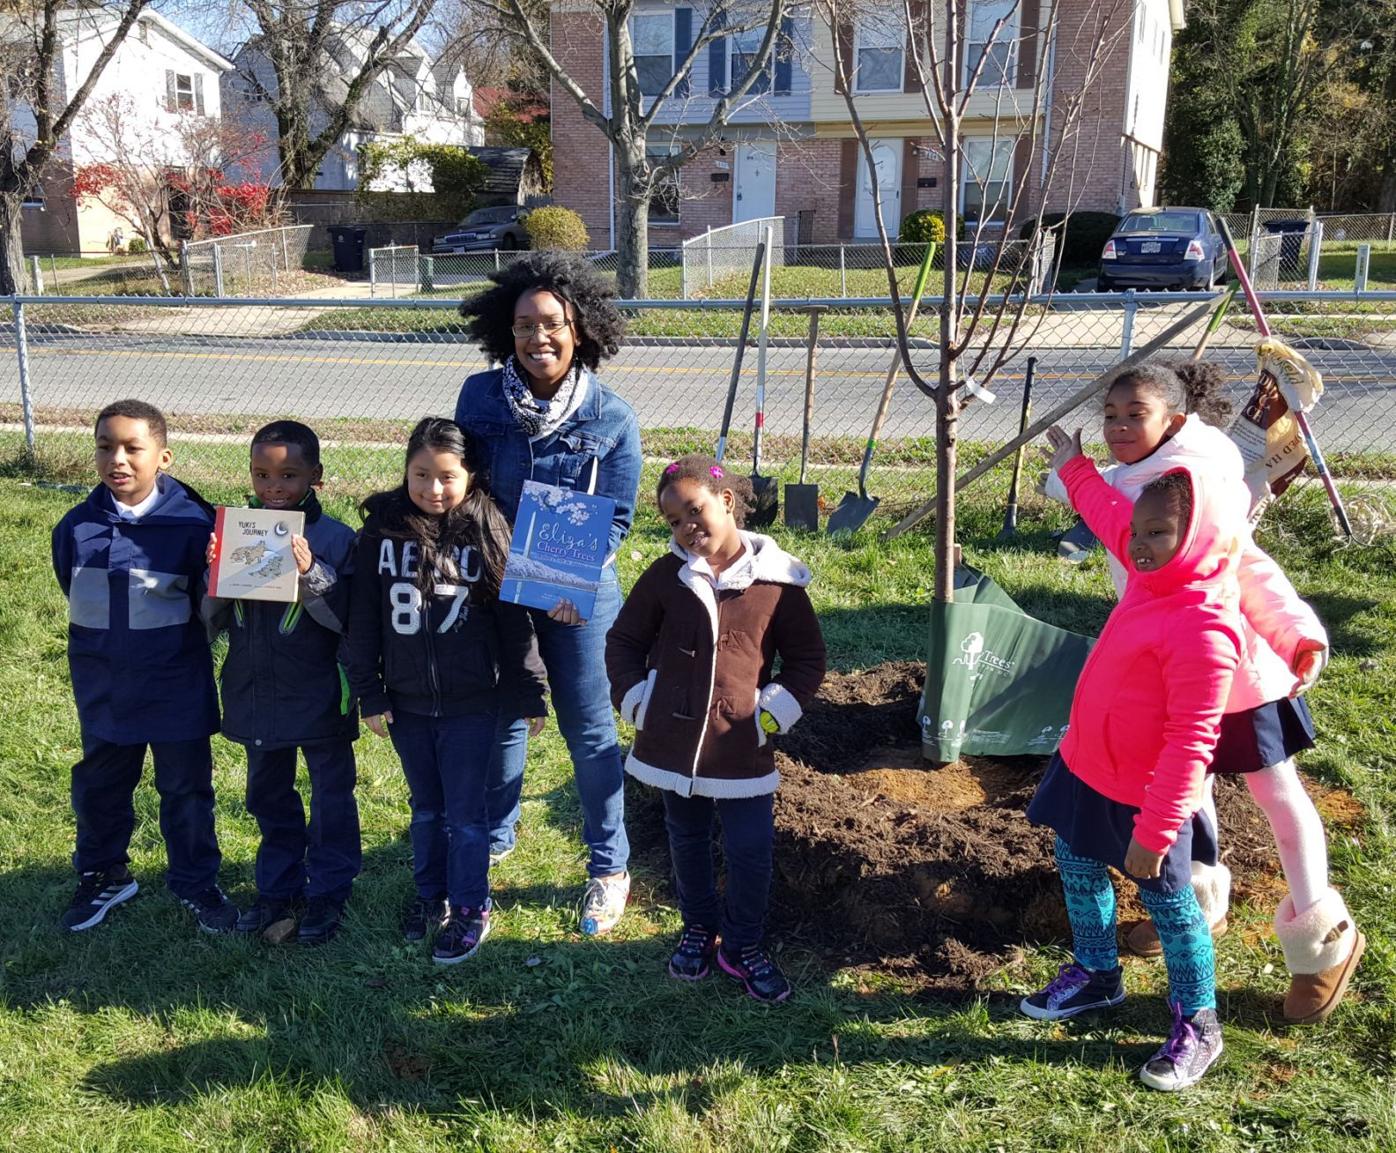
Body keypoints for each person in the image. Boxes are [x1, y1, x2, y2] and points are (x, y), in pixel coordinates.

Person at [1043, 361, 1364, 1024]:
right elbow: (1106, 509)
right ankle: (1197, 903)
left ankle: (1322, 940)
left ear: (1174, 419)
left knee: (1275, 793)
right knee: (1187, 795)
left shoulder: (1205, 483)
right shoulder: (1130, 488)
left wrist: (1295, 631)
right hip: (1163, 670)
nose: (1121, 427)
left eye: (1136, 415)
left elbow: (1250, 564)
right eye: (1113, 415)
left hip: (1237, 666)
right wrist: (1075, 467)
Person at [1023, 431, 1248, 1092]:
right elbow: (1107, 512)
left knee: (1171, 903)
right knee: (1077, 861)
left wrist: (1153, 832)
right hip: (1088, 765)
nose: (1141, 545)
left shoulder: (1204, 626)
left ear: (1200, 534)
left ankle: (1199, 1022)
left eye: (1160, 533)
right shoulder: (1153, 570)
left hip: (1149, 794)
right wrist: (1072, 466)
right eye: (1142, 532)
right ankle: (1097, 972)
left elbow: (1191, 742)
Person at [455, 251, 642, 936]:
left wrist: (573, 581)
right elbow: (466, 487)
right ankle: (499, 831)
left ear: (580, 327)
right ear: (508, 330)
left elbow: (617, 517)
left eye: (553, 324)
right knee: (506, 713)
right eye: (525, 324)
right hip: (495, 585)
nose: (539, 338)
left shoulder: (611, 415)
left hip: (577, 593)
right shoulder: (479, 398)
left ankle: (608, 864)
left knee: (588, 728)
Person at [605, 455, 826, 1002]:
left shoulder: (777, 584)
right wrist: (637, 700)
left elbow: (807, 661)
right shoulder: (665, 577)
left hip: (740, 746)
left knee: (751, 847)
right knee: (687, 837)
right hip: (672, 744)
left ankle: (745, 943)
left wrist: (769, 713)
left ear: (727, 502)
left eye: (695, 510)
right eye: (674, 521)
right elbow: (624, 642)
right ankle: (699, 928)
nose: (687, 528)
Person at [346, 418, 547, 964]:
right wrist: (370, 691)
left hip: (473, 704)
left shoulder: (486, 530)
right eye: (421, 474)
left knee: (465, 814)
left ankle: (469, 906)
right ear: (406, 470)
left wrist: (530, 689)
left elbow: (513, 622)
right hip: (407, 701)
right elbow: (362, 619)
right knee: (426, 810)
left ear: (472, 477)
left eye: (447, 477)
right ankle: (430, 895)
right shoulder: (382, 532)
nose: (433, 489)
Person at [51, 399, 238, 933]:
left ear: (163, 456)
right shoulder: (76, 526)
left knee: (186, 789)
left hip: (175, 683)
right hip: (104, 683)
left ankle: (195, 881)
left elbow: (212, 610)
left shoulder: (194, 525)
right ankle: (104, 873)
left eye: (134, 448)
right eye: (106, 446)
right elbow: (72, 584)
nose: (119, 459)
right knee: (101, 786)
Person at [202, 421, 360, 945]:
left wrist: (313, 571)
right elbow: (210, 622)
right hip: (255, 694)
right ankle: (277, 886)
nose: (274, 487)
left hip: (320, 696)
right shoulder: (237, 533)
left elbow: (351, 622)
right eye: (262, 474)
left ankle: (330, 890)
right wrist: (215, 576)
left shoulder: (336, 538)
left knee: (331, 797)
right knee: (268, 797)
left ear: (316, 477)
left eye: (289, 475)